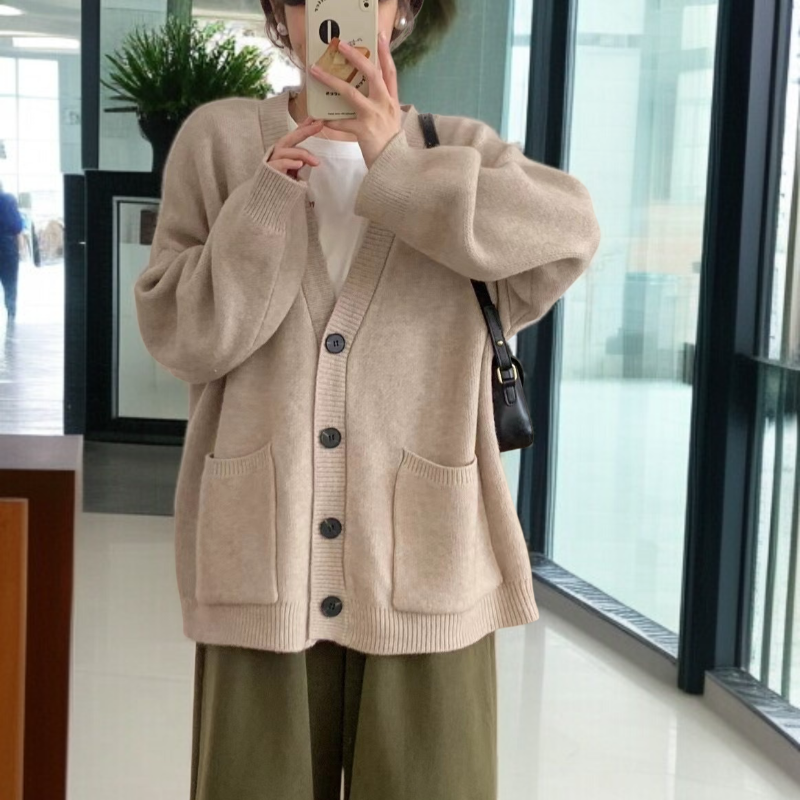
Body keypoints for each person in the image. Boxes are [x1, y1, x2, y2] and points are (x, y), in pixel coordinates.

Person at [134, 1, 601, 797]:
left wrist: (399, 168)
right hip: (262, 564)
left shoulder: (458, 150)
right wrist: (264, 204)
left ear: (405, 10)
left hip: (429, 569)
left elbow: (572, 229)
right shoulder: (220, 143)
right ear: (280, 13)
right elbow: (180, 336)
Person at [0, 179, 23, 323]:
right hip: (7, 246)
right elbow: (17, 226)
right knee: (10, 281)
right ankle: (11, 310)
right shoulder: (9, 200)